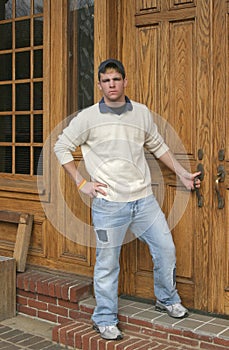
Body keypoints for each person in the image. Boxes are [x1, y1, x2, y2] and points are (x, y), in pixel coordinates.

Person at [54, 58, 201, 341]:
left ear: (125, 82)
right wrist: (81, 182)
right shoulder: (87, 118)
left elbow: (158, 146)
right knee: (108, 262)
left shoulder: (142, 114)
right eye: (106, 80)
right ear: (99, 85)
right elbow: (61, 145)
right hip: (109, 204)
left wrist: (182, 174)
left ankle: (166, 298)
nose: (112, 84)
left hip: (144, 200)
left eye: (116, 79)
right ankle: (104, 317)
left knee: (166, 249)